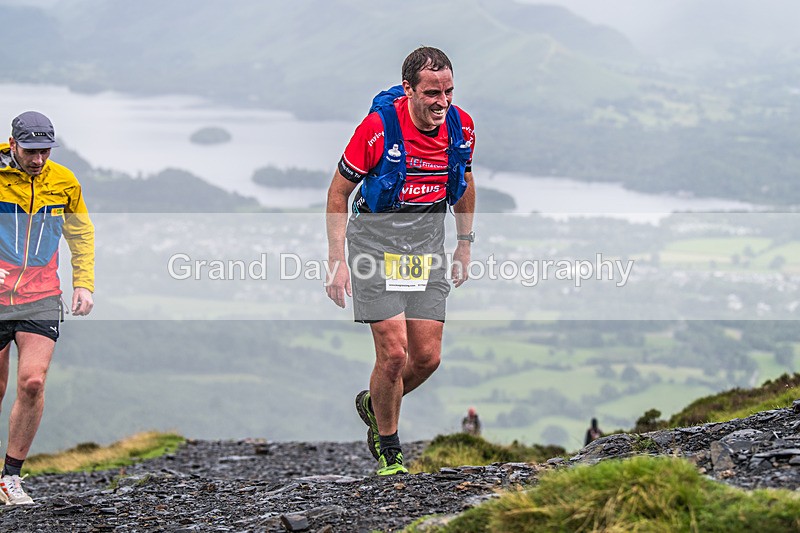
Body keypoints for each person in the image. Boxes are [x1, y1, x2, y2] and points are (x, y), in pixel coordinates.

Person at [326, 47, 476, 476]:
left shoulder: (462, 126)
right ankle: (390, 450)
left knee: (426, 358)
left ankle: (374, 404)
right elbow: (339, 194)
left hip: (426, 247)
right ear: (408, 89)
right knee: (394, 353)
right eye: (431, 92)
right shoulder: (377, 130)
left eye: (448, 91)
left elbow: (463, 181)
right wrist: (337, 260)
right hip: (374, 244)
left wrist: (464, 243)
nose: (441, 102)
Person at [0, 111, 95, 504]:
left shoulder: (64, 181)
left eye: (45, 151)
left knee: (33, 382)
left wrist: (84, 283)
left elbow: (81, 231)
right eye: (31, 151)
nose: (38, 159)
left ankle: (10, 478)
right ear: (13, 144)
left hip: (40, 294)